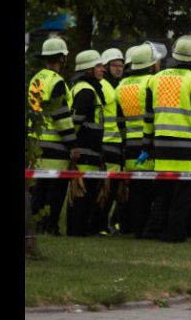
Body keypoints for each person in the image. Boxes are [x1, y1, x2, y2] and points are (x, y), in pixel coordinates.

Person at [141, 35, 191, 243]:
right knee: (182, 195)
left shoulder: (155, 80)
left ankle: (156, 230)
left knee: (163, 193)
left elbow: (149, 117)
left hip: (161, 148)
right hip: (187, 150)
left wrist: (146, 146)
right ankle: (175, 233)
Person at [28, 37, 79, 235]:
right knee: (56, 190)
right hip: (55, 145)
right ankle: (50, 227)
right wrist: (72, 145)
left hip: (36, 143)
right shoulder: (57, 82)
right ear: (61, 58)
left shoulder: (36, 79)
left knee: (39, 189)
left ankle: (36, 226)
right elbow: (61, 117)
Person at [116, 43, 162, 238]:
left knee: (136, 190)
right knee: (152, 190)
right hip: (149, 143)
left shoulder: (121, 85)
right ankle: (149, 229)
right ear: (151, 64)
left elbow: (120, 121)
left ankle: (136, 227)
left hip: (130, 145)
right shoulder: (152, 82)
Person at [66, 50, 106, 237]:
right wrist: (73, 145)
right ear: (88, 69)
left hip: (88, 149)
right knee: (83, 193)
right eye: (98, 66)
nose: (103, 69)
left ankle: (78, 229)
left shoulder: (83, 88)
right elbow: (76, 121)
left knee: (83, 193)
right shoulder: (87, 91)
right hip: (85, 150)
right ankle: (78, 230)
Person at [91, 48, 126, 236]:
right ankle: (100, 224)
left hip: (114, 142)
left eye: (121, 65)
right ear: (106, 66)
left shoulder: (117, 85)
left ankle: (106, 223)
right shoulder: (105, 86)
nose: (119, 69)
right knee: (106, 188)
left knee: (112, 188)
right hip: (107, 143)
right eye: (115, 65)